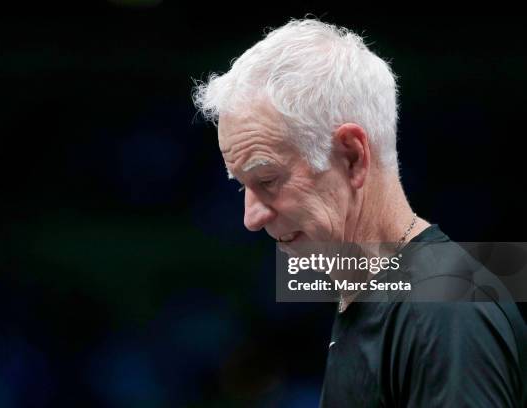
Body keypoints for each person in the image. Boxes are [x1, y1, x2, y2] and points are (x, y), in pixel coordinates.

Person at [193, 18, 526, 406]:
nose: (251, 218)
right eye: (241, 186)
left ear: (352, 156)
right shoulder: (382, 294)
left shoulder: (447, 313)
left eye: (266, 179)